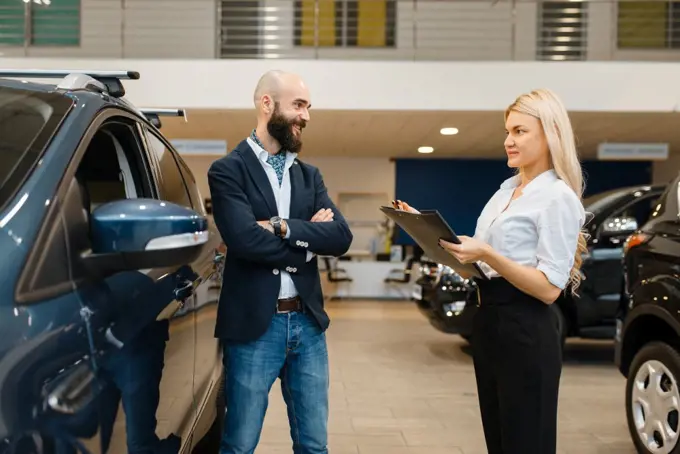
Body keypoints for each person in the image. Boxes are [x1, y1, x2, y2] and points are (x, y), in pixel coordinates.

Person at [395, 88, 586, 454]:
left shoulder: (557, 197)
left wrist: (486, 252)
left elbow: (548, 289)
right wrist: (430, 236)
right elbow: (477, 269)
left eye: (519, 131)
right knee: (498, 441)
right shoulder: (504, 193)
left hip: (527, 327)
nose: (508, 141)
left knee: (526, 442)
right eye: (507, 131)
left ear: (549, 134)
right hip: (490, 323)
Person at [207, 69, 353, 454]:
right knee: (239, 443)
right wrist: (308, 241)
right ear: (266, 103)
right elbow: (242, 239)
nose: (307, 116)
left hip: (307, 325)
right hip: (255, 327)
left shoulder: (309, 176)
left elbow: (340, 237)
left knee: (314, 445)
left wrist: (281, 227)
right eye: (299, 105)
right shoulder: (227, 171)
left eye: (308, 107)